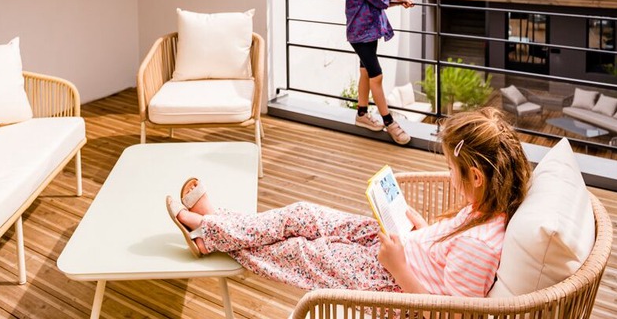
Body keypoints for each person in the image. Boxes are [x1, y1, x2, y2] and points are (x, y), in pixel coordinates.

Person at [165, 107, 532, 298]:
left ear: (477, 177)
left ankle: (210, 228)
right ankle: (215, 226)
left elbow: (449, 314)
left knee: (300, 251)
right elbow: (443, 255)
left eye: (452, 170)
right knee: (303, 214)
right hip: (397, 249)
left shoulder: (480, 246)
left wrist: (400, 266)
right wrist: (423, 230)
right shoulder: (484, 209)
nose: (450, 177)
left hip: (390, 282)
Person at [343, 0, 415, 144]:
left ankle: (362, 114)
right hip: (361, 36)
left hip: (365, 34)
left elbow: (376, 0)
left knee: (366, 72)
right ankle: (389, 121)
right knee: (377, 76)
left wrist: (398, 0)